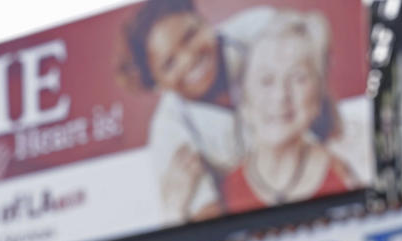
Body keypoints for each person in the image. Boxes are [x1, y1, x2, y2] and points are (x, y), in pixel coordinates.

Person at [119, 0, 275, 224]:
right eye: (169, 63)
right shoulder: (168, 130)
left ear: (204, 22)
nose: (189, 58)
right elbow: (207, 219)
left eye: (190, 35)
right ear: (157, 84)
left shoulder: (262, 29)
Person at [223, 12, 355, 213]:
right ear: (243, 97)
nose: (280, 95)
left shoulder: (345, 181)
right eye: (266, 80)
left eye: (297, 78)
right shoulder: (223, 192)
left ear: (318, 94)